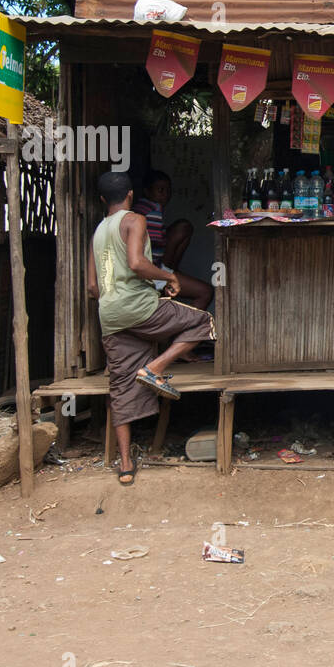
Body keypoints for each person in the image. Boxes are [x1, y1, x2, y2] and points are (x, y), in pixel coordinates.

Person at [86, 172, 216, 486]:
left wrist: (114, 299)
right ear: (130, 195)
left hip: (111, 316)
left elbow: (92, 286)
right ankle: (155, 367)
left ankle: (126, 465)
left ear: (104, 199)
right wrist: (168, 278)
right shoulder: (135, 220)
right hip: (140, 308)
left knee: (120, 387)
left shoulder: (98, 232)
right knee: (203, 322)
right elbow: (136, 263)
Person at [133, 170, 213, 310]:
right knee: (205, 292)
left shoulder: (139, 208)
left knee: (183, 227)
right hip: (151, 273)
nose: (165, 195)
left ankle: (170, 272)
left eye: (168, 190)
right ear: (147, 191)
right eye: (160, 190)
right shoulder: (153, 210)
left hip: (146, 272)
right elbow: (155, 248)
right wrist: (167, 275)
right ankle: (186, 331)